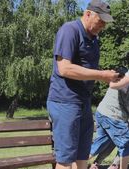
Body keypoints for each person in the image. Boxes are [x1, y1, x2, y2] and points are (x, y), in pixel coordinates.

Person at [46, 0, 119, 169]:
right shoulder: (70, 30)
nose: (103, 26)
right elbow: (64, 68)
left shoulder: (94, 39)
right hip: (65, 102)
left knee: (82, 156)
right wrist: (102, 75)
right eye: (100, 21)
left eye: (105, 23)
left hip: (83, 103)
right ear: (88, 14)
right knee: (65, 159)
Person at [89, 59, 129, 169]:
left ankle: (77, 164)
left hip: (105, 114)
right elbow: (113, 85)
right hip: (112, 115)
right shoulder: (128, 75)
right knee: (128, 142)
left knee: (101, 144)